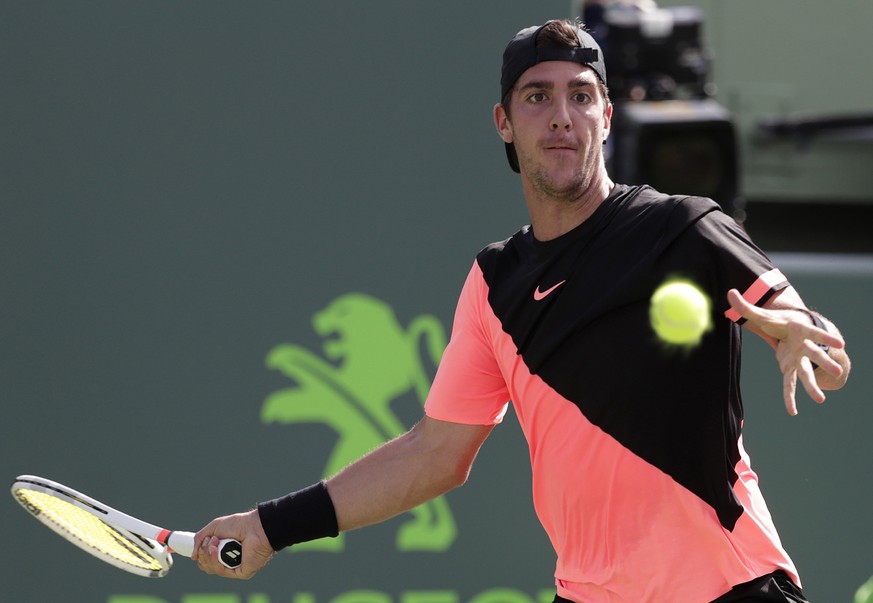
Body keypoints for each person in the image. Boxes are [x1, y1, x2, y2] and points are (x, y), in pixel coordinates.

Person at [193, 19, 851, 602]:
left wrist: (808, 336)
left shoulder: (685, 228)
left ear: (606, 117)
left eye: (580, 95)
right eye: (537, 97)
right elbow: (434, 453)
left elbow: (823, 352)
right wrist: (271, 526)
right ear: (504, 122)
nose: (560, 115)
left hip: (726, 588)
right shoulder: (493, 283)